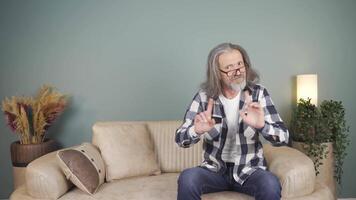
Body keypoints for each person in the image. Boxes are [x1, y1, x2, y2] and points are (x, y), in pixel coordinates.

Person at [175, 43, 289, 200]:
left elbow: (284, 138)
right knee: (188, 178)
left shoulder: (259, 94)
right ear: (217, 73)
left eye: (240, 64)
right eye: (229, 67)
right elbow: (180, 139)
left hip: (249, 170)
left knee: (270, 184)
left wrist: (262, 126)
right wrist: (196, 130)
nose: (237, 71)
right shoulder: (203, 97)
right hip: (214, 171)